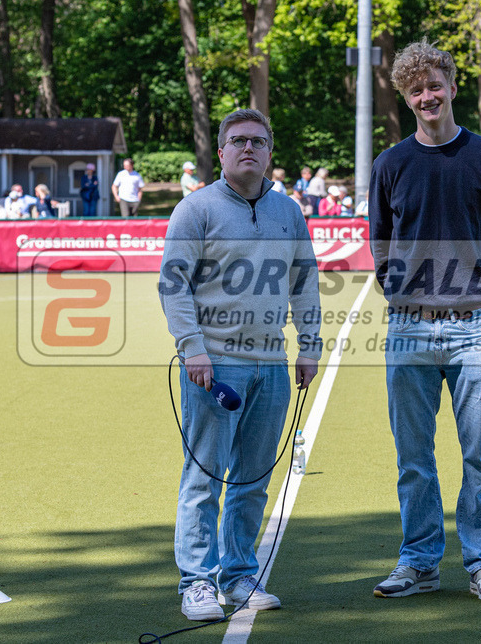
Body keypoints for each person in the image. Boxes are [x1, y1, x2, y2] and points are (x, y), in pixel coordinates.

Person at [368, 39, 481, 602]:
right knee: (413, 457)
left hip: (473, 328)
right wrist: (399, 294)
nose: (427, 97)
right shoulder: (390, 164)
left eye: (435, 85)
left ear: (453, 87)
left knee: (478, 453)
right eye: (416, 90)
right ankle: (419, 561)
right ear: (406, 99)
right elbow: (379, 242)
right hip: (408, 328)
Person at [158, 108, 322, 621]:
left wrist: (310, 344)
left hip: (271, 363)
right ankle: (197, 582)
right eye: (237, 141)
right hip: (216, 363)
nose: (247, 148)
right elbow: (173, 283)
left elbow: (304, 280)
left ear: (270, 152)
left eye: (258, 141)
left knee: (253, 478)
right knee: (204, 476)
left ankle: (238, 575)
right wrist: (193, 348)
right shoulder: (195, 208)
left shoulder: (288, 212)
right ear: (222, 152)